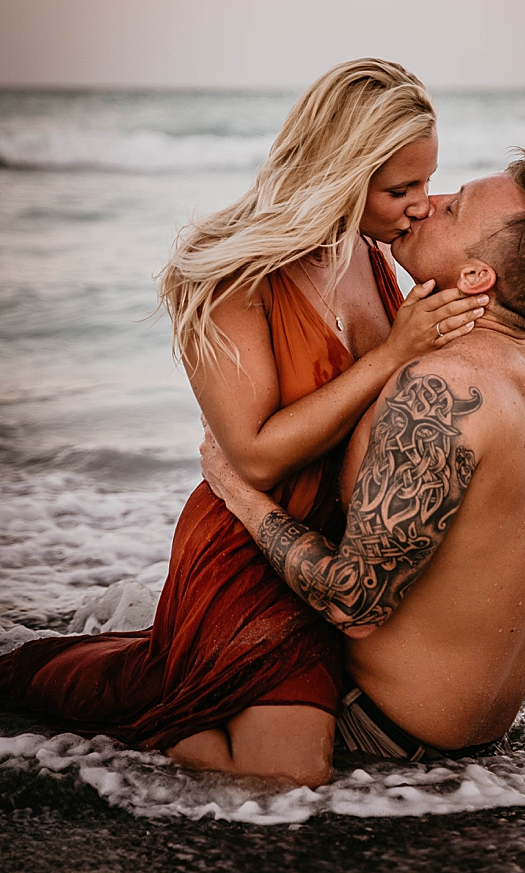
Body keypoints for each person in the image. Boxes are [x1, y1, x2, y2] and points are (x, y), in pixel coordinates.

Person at [0, 59, 483, 785]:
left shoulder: (369, 253)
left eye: (426, 183)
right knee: (288, 773)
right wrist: (393, 355)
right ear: (340, 172)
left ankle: (149, 678)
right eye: (399, 190)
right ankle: (99, 712)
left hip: (334, 561)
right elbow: (254, 457)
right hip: (250, 551)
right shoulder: (234, 272)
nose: (420, 206)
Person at [197, 153, 525, 770]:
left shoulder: (444, 390)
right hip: (483, 738)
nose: (428, 204)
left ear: (475, 277)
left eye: (452, 208)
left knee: (129, 716)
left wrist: (241, 494)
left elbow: (353, 604)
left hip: (385, 738)